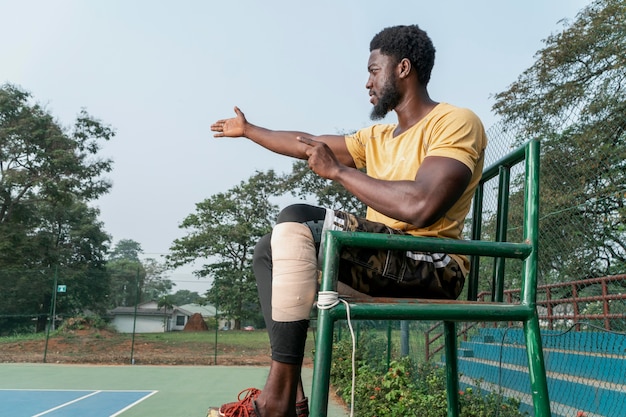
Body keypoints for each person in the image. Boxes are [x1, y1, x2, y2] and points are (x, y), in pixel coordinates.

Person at [208, 24, 487, 417]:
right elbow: (309, 143)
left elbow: (422, 205)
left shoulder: (455, 121)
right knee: (269, 250)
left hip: (433, 265)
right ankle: (293, 400)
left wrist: (339, 172)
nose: (367, 82)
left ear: (403, 68)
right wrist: (251, 130)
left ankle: (275, 402)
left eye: (374, 71)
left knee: (296, 219)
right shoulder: (377, 139)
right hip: (384, 258)